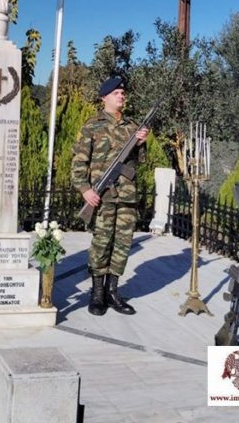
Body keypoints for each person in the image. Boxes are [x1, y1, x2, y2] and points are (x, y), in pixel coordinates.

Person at [71, 77, 148, 317]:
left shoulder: (132, 126)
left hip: (126, 195)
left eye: (122, 93)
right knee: (101, 243)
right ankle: (97, 294)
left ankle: (113, 292)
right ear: (104, 97)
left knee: (123, 244)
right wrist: (85, 189)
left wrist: (141, 143)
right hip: (102, 195)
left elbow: (140, 161)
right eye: (116, 93)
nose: (121, 96)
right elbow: (79, 162)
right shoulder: (92, 125)